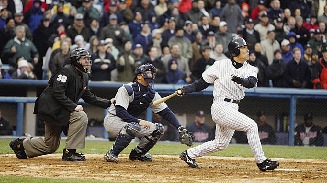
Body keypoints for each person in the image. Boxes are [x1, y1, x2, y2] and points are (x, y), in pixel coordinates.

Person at [176, 37, 279, 171]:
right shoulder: (220, 65)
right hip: (221, 106)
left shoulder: (250, 68)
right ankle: (262, 161)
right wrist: (185, 89)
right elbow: (200, 84)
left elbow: (251, 82)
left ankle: (189, 154)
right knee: (251, 126)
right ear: (235, 51)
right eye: (243, 48)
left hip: (233, 107)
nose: (247, 50)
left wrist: (241, 80)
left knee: (221, 144)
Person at [9, 47, 111, 161]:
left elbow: (88, 96)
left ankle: (21, 145)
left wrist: (108, 103)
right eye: (84, 59)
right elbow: (57, 92)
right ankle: (70, 152)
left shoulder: (85, 76)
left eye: (88, 58)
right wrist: (74, 106)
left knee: (50, 145)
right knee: (80, 116)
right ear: (76, 60)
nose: (87, 61)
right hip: (51, 109)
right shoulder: (66, 71)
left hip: (61, 110)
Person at [103, 63, 193, 163]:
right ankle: (112, 154)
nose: (150, 75)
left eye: (151, 73)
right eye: (147, 72)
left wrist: (180, 127)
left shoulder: (152, 94)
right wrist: (138, 121)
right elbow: (120, 112)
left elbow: (166, 112)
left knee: (158, 129)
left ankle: (137, 154)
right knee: (133, 126)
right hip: (113, 120)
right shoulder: (127, 89)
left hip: (131, 123)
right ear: (139, 76)